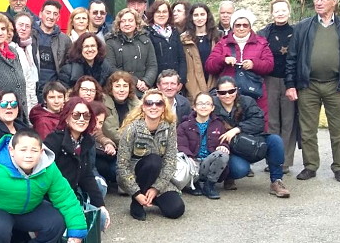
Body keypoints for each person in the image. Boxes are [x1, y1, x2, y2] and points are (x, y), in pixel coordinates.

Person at [286, 0, 340, 183]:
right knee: (308, 129)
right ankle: (310, 166)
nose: (318, 2)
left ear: (334, 2)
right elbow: (292, 59)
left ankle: (339, 168)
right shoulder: (303, 27)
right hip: (308, 86)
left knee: (338, 129)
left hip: (336, 86)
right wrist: (290, 85)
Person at [212, 77, 290, 198]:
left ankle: (276, 181)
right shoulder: (212, 106)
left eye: (231, 91)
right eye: (222, 92)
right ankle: (229, 176)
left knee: (275, 141)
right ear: (217, 93)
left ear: (236, 90)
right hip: (230, 150)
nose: (227, 95)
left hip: (252, 144)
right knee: (240, 169)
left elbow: (259, 122)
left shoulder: (247, 101)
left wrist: (237, 129)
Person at [117, 89, 185, 221]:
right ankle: (137, 202)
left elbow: (170, 160)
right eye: (149, 103)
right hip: (134, 177)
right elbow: (122, 166)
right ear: (143, 107)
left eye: (158, 103)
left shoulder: (169, 127)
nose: (153, 107)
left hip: (158, 177)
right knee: (153, 161)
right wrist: (136, 193)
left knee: (176, 210)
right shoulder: (132, 129)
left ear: (164, 107)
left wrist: (156, 188)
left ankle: (150, 197)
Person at [43, 97, 111, 226]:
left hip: (72, 196)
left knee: (100, 218)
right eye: (76, 115)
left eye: (86, 116)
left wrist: (101, 205)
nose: (81, 119)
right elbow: (44, 179)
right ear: (67, 117)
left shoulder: (86, 141)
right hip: (51, 198)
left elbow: (87, 176)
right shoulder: (53, 141)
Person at [204, 8, 274, 124]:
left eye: (245, 25)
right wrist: (223, 60)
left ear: (250, 27)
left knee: (256, 121)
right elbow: (210, 66)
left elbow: (269, 65)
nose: (241, 28)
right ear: (233, 26)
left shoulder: (261, 43)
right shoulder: (223, 43)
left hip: (254, 92)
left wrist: (254, 64)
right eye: (238, 25)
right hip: (229, 94)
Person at [257, 0, 297, 172]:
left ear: (289, 12)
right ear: (271, 13)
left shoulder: (297, 32)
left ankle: (286, 162)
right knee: (272, 121)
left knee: (288, 121)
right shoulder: (264, 33)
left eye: (283, 10)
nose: (280, 13)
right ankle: (274, 160)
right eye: (277, 11)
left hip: (291, 81)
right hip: (270, 80)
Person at [176, 92, 230, 199]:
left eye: (207, 104)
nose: (204, 106)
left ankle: (209, 185)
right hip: (192, 163)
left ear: (212, 108)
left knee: (222, 154)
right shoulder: (185, 125)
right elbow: (181, 145)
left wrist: (224, 146)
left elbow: (225, 141)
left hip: (209, 163)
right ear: (194, 107)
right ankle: (193, 184)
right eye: (200, 103)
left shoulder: (219, 124)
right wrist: (189, 156)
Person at [106, 8, 157, 93]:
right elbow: (111, 68)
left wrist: (146, 82)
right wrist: (135, 81)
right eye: (123, 21)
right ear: (118, 24)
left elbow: (152, 65)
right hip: (120, 90)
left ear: (136, 23)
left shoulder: (145, 40)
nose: (127, 24)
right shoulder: (110, 42)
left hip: (143, 89)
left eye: (130, 20)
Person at [180, 2, 219, 98]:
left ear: (207, 16)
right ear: (191, 18)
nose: (199, 18)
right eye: (196, 15)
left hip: (214, 84)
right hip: (193, 87)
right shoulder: (184, 39)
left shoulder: (217, 37)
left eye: (202, 14)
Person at [34, 0, 72, 88]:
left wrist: (61, 86)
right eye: (48, 12)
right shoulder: (31, 35)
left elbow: (68, 66)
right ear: (40, 14)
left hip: (54, 91)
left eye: (55, 14)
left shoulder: (65, 40)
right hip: (32, 88)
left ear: (58, 17)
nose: (51, 17)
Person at [146, 0, 186, 84]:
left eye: (164, 12)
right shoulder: (147, 33)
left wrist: (181, 81)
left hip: (175, 82)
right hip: (158, 82)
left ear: (169, 14)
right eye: (158, 12)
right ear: (153, 14)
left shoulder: (174, 32)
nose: (161, 15)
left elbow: (182, 59)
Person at [13, 12, 40, 100]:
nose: (23, 28)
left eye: (27, 26)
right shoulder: (9, 47)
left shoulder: (32, 47)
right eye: (20, 25)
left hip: (30, 95)